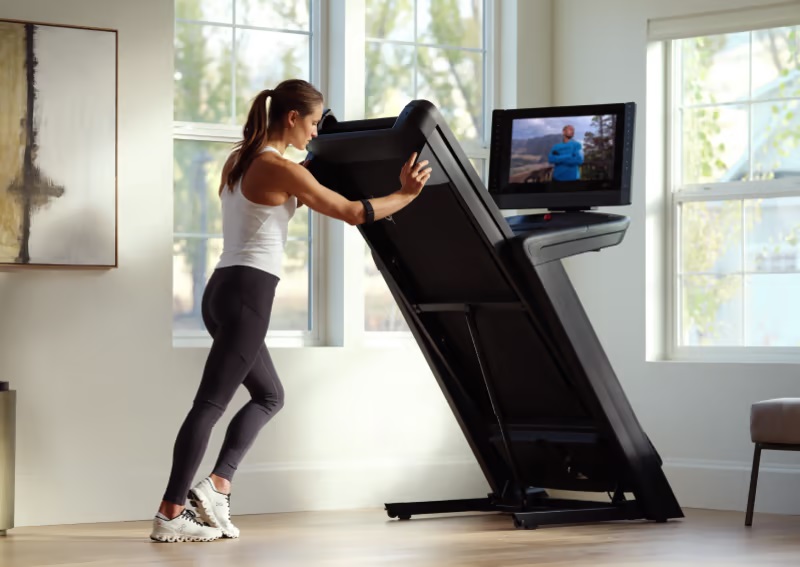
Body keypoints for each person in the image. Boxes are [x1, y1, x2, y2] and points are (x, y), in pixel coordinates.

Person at [149, 79, 432, 543]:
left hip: (222, 290)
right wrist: (406, 194)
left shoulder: (242, 159)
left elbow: (297, 183)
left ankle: (217, 486)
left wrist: (321, 164)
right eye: (314, 122)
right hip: (247, 294)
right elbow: (350, 211)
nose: (315, 133)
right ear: (292, 118)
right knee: (209, 405)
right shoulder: (280, 168)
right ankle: (170, 513)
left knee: (270, 396)